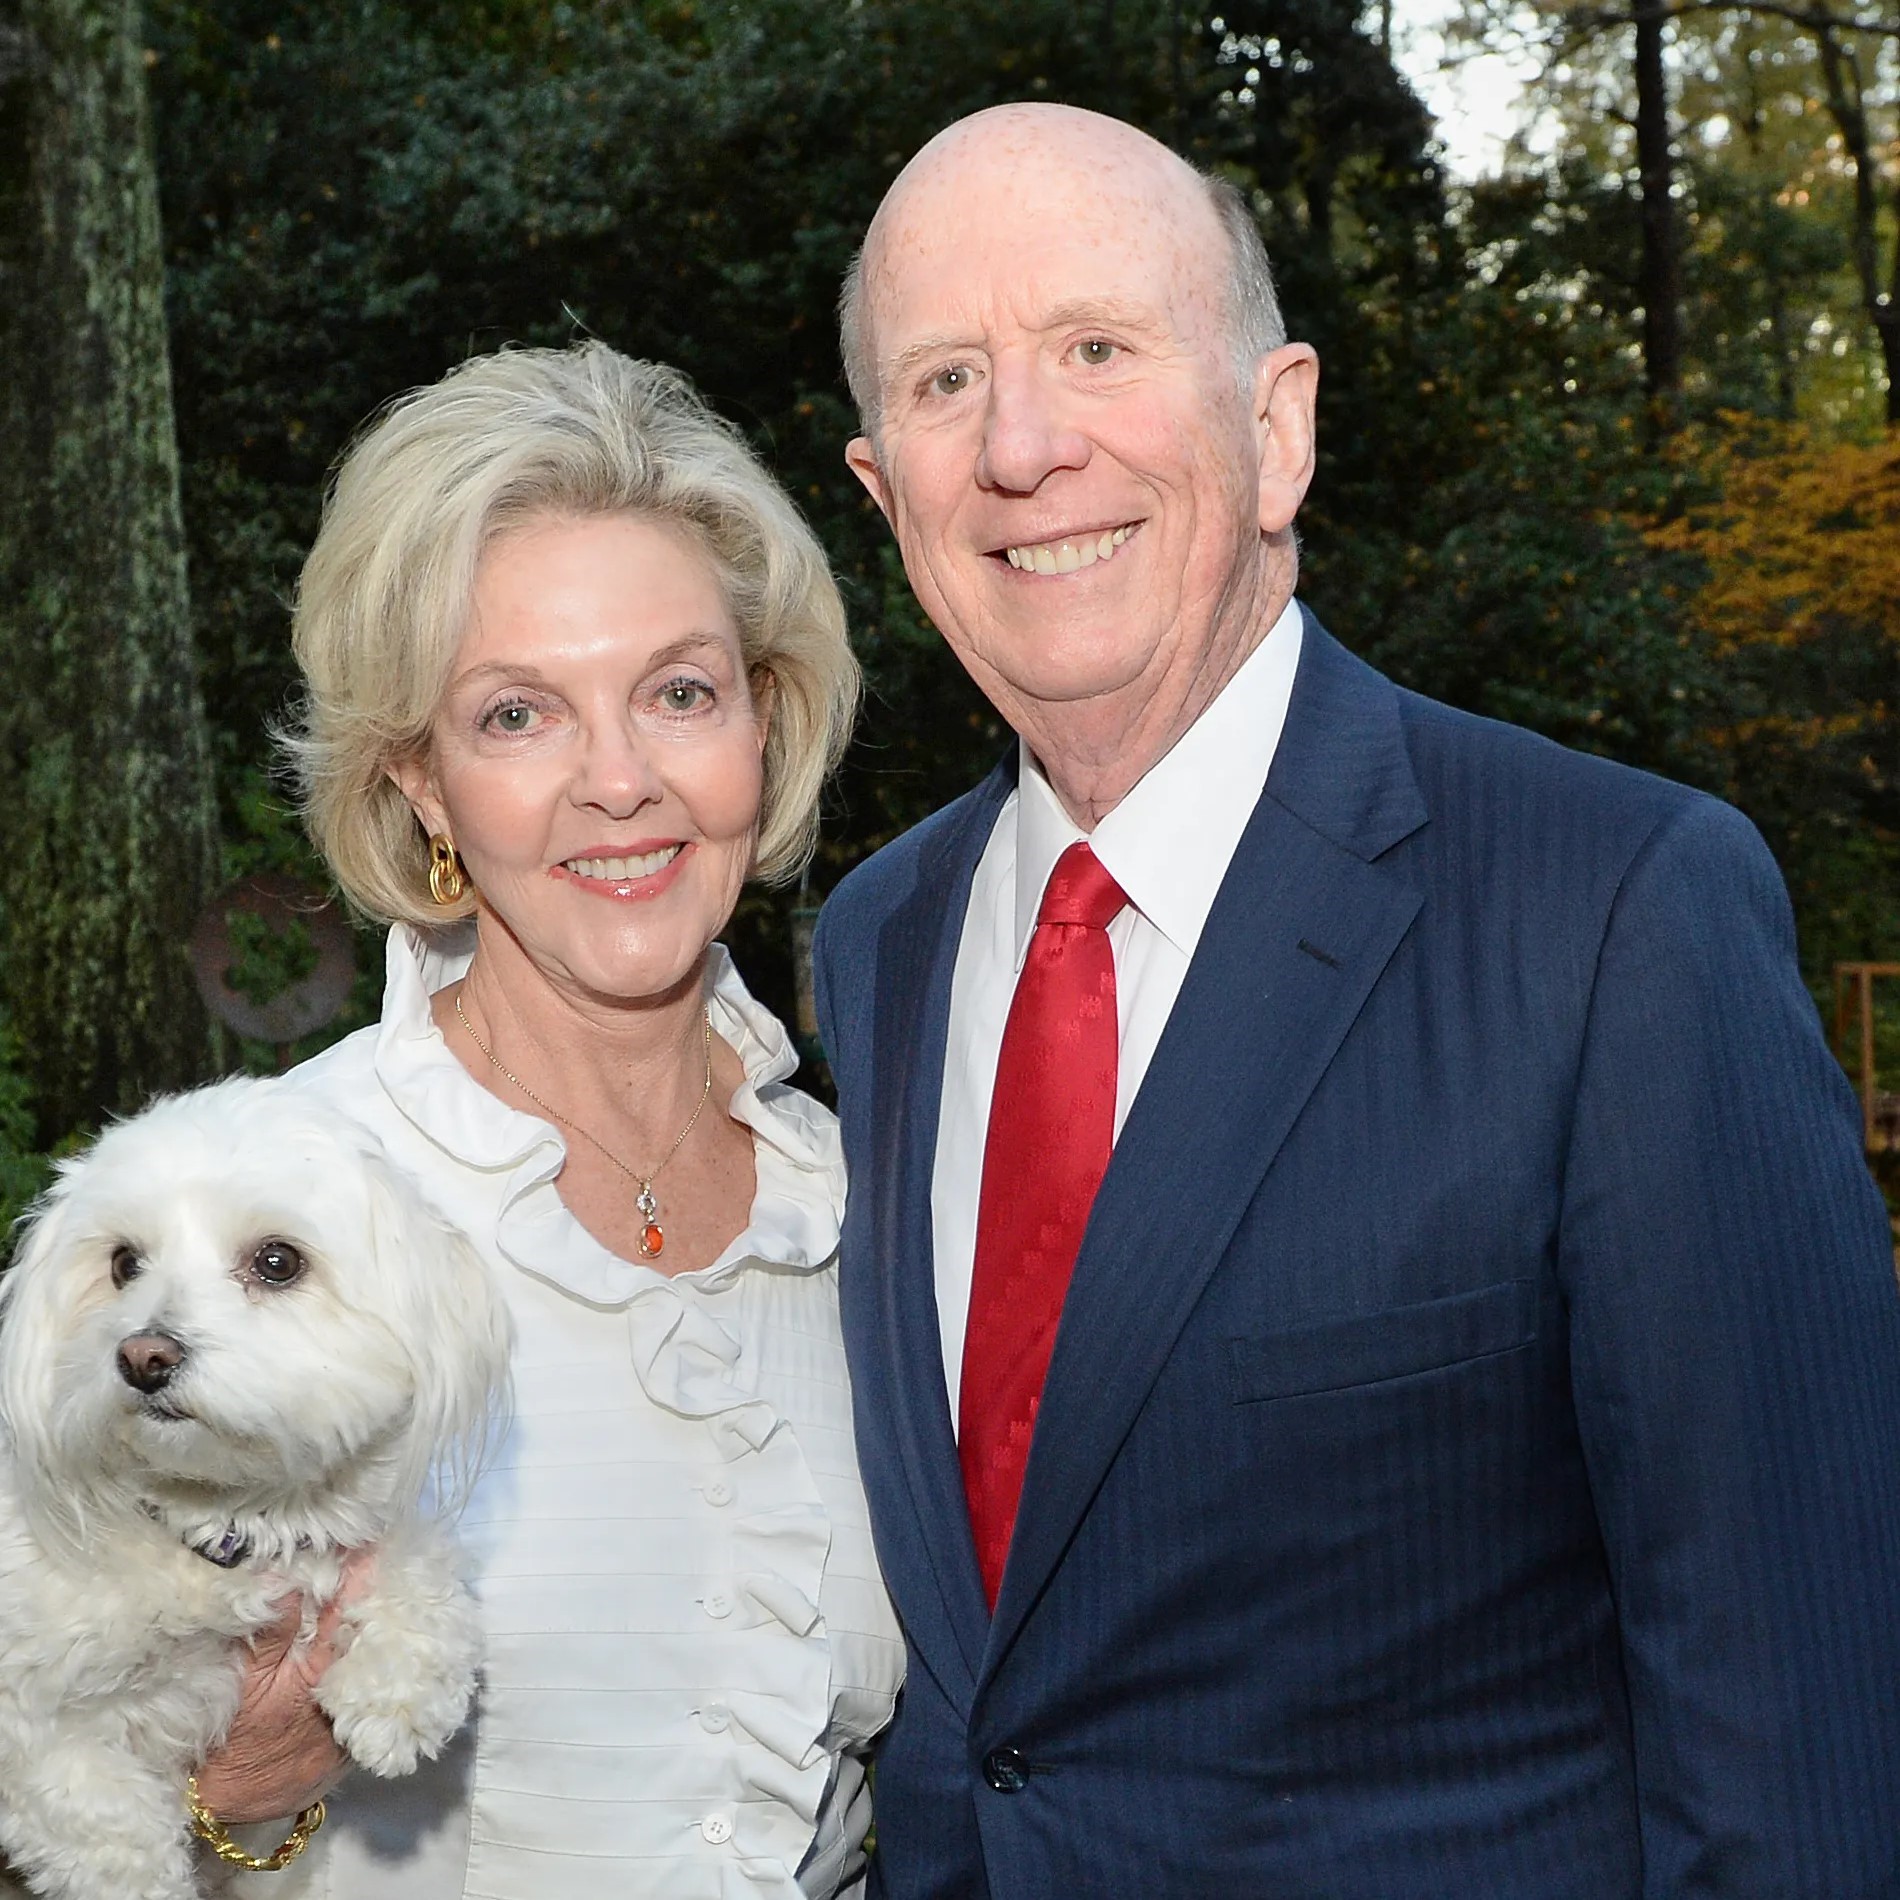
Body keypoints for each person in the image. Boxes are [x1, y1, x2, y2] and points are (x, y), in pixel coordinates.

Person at [812, 102, 1900, 1898]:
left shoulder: (1613, 909)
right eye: (944, 382)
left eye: (1097, 348)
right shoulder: (882, 940)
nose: (1020, 444)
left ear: (1277, 424)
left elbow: (1796, 1734)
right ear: (882, 493)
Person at [190, 341, 903, 1899]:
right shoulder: (250, 1228)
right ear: (423, 785)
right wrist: (226, 1794)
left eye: (679, 691)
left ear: (762, 724)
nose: (621, 782)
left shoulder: (882, 1220)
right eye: (518, 715)